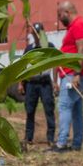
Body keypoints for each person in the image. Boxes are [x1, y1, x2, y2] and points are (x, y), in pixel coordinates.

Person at [51, 0, 83, 152]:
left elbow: (82, 50)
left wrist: (77, 74)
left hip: (73, 75)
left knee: (64, 106)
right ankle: (76, 144)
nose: (59, 19)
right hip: (69, 74)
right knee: (75, 110)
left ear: (66, 12)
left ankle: (61, 143)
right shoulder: (73, 27)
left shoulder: (79, 26)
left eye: (59, 15)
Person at [20, 21, 54, 149]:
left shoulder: (49, 47)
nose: (36, 35)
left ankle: (50, 138)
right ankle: (28, 138)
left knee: (49, 109)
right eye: (34, 33)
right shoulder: (29, 49)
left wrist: (55, 82)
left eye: (38, 33)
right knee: (29, 110)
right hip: (31, 84)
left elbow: (55, 65)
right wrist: (21, 83)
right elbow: (22, 66)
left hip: (45, 83)